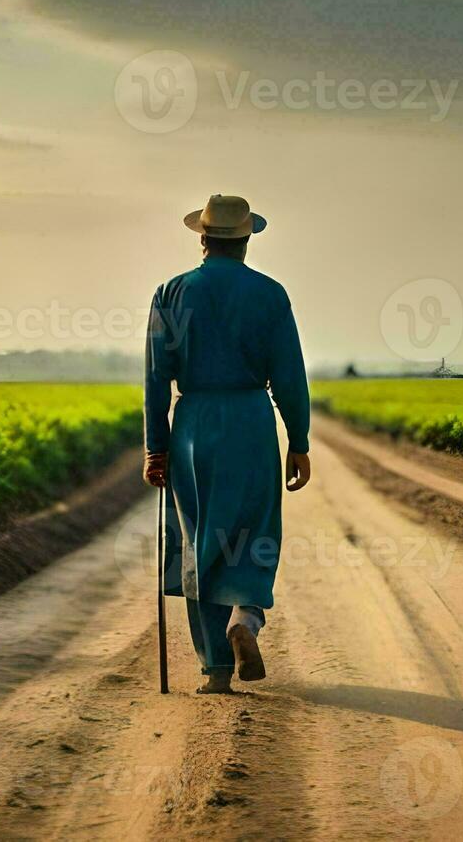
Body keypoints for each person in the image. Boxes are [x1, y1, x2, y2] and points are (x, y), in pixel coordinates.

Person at [143, 194, 312, 694]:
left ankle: (216, 669)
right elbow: (289, 375)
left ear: (203, 239)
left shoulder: (170, 293)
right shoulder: (270, 294)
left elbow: (156, 377)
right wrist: (298, 439)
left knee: (200, 541)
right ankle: (246, 615)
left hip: (192, 423)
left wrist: (157, 446)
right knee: (256, 528)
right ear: (246, 240)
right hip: (251, 421)